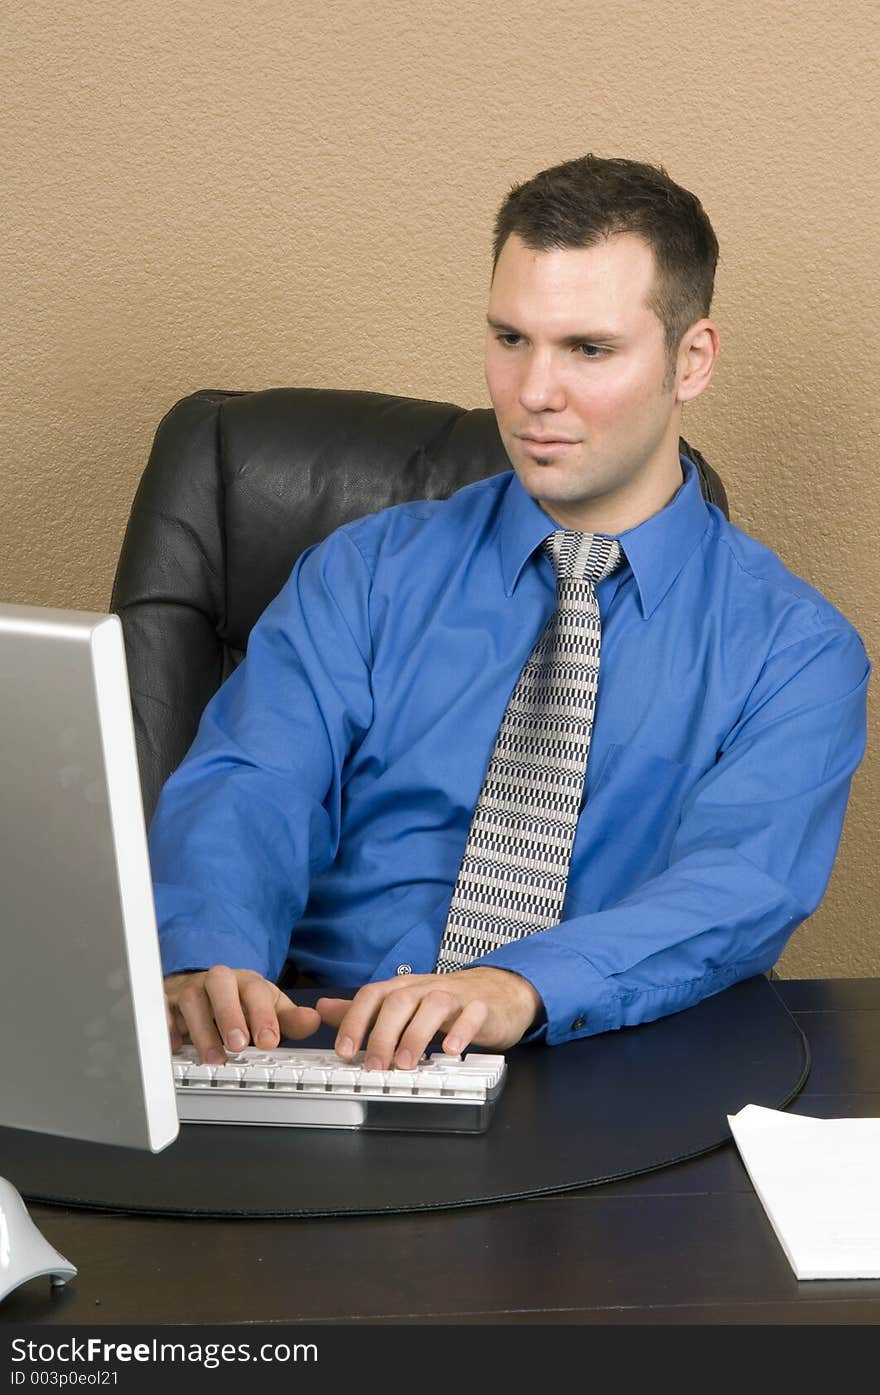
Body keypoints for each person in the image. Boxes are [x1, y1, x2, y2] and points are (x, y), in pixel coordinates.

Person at [150, 154, 870, 1074]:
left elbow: (735, 888)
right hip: (310, 1053)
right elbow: (251, 783)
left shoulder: (796, 655)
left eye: (589, 349)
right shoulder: (363, 574)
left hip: (587, 1072)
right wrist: (206, 955)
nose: (534, 392)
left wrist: (515, 985)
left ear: (692, 362)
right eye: (510, 338)